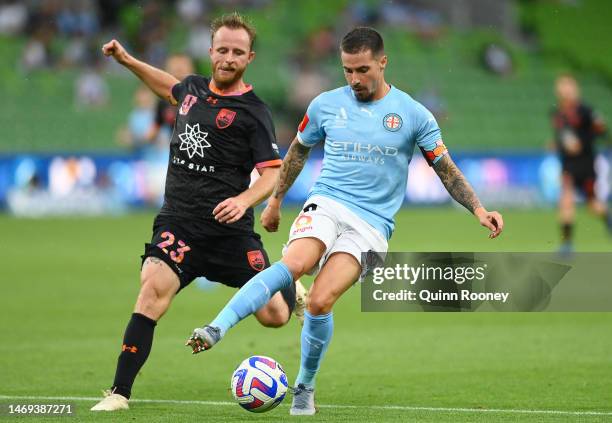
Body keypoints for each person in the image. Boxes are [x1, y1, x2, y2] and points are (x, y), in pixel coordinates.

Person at [186, 27, 504, 415]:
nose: (354, 79)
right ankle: (217, 327)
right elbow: (297, 154)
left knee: (319, 301)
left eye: (362, 70)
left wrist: (478, 209)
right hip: (327, 203)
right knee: (293, 265)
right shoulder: (324, 105)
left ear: (383, 63)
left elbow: (446, 170)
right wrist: (275, 201)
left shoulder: (413, 114)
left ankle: (304, 386)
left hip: (372, 227)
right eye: (347, 70)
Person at [91, 12, 306, 412]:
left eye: (237, 52)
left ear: (249, 58)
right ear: (210, 51)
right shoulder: (191, 89)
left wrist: (244, 201)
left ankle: (291, 288)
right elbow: (167, 87)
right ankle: (119, 393)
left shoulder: (254, 112)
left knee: (275, 316)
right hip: (180, 222)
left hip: (230, 232)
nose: (228, 58)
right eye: (222, 49)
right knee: (151, 290)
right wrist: (127, 61)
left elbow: (272, 176)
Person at [551, 74, 611, 255]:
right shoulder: (557, 114)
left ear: (575, 89)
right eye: (561, 86)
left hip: (586, 164)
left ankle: (608, 218)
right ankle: (567, 244)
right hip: (568, 165)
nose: (564, 90)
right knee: (566, 200)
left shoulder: (585, 111)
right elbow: (562, 136)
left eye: (567, 86)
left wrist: (586, 139)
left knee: (593, 205)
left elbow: (601, 130)